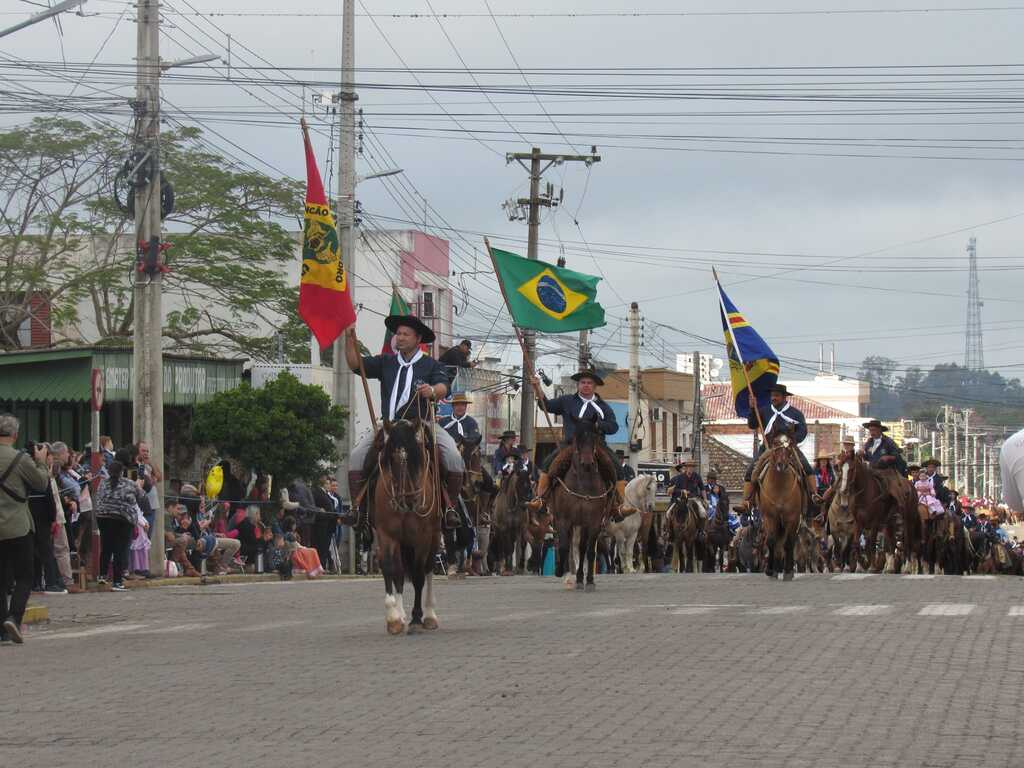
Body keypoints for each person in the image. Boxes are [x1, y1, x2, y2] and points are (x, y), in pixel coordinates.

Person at [344, 314, 464, 528]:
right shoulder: (385, 362)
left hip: (421, 425)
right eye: (398, 334)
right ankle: (357, 509)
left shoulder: (432, 365)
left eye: (405, 334)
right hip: (389, 426)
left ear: (418, 339)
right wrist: (349, 337)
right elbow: (355, 363)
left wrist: (432, 390)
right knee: (356, 457)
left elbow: (443, 387)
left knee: (454, 457)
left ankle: (450, 509)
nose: (399, 337)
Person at [527, 369, 620, 512]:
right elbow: (547, 405)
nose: (586, 385)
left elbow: (614, 427)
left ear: (595, 386)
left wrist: (598, 425)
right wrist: (537, 387)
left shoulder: (603, 407)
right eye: (583, 382)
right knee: (548, 464)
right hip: (571, 445)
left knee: (617, 467)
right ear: (578, 385)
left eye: (589, 383)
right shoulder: (567, 401)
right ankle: (540, 500)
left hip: (597, 446)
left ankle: (619, 505)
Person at [0, 414, 51, 644]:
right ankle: (14, 617)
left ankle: (1, 631)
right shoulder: (19, 459)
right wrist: (41, 461)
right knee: (24, 576)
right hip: (18, 526)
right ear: (15, 435)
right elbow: (41, 483)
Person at [734, 384, 817, 511]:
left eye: (777, 395)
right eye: (772, 395)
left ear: (784, 397)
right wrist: (753, 409)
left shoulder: (796, 413)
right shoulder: (764, 411)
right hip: (768, 447)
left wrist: (791, 440)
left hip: (789, 447)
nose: (773, 398)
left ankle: (813, 496)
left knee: (807, 468)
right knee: (751, 471)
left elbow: (803, 431)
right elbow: (752, 425)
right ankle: (747, 501)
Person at [94, 460, 147, 591]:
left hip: (103, 518)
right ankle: (117, 582)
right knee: (120, 550)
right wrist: (139, 485)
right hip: (122, 518)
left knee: (106, 547)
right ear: (122, 472)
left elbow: (98, 497)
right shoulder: (129, 483)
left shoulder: (103, 483)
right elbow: (142, 496)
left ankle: (102, 575)